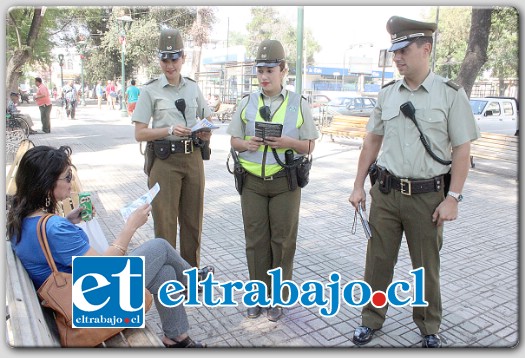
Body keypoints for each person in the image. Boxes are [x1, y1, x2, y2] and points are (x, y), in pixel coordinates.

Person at [348, 16, 480, 348]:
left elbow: (462, 150)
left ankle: (428, 326)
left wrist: (454, 198)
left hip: (428, 198)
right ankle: (371, 319)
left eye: (404, 50)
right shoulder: (388, 94)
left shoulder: (450, 95)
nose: (398, 58)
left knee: (426, 267)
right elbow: (371, 143)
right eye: (395, 52)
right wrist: (357, 185)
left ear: (426, 49)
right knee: (377, 262)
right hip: (387, 194)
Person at [7, 145, 214, 348]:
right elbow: (101, 269)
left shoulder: (24, 219)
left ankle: (177, 337)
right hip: (92, 306)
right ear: (46, 183)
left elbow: (47, 246)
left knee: (166, 272)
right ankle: (194, 280)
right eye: (67, 177)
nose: (71, 182)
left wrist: (68, 221)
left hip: (75, 300)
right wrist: (131, 226)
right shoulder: (54, 228)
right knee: (159, 246)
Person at [226, 39, 319, 322]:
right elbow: (233, 140)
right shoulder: (247, 102)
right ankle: (257, 295)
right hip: (252, 182)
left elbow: (310, 145)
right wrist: (246, 144)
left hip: (284, 183)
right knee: (255, 241)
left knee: (282, 241)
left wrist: (289, 141)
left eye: (270, 70)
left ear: (283, 70)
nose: (264, 76)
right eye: (260, 71)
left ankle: (277, 298)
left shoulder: (298, 104)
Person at [132, 28, 212, 269]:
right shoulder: (150, 90)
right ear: (159, 60)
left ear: (183, 58)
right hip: (165, 162)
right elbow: (140, 133)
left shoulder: (192, 87)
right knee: (165, 224)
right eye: (165, 59)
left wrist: (205, 130)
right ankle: (168, 278)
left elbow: (207, 117)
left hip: (193, 158)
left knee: (192, 222)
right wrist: (168, 130)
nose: (169, 65)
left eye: (174, 58)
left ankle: (190, 273)